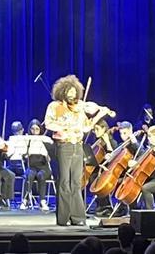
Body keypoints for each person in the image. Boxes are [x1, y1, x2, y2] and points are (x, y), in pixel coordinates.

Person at [44, 74, 112, 227]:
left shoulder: (80, 108)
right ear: (62, 91)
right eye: (69, 91)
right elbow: (48, 124)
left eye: (74, 91)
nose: (72, 94)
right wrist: (65, 127)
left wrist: (99, 114)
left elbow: (86, 127)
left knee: (76, 182)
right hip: (64, 146)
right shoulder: (55, 106)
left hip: (78, 146)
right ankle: (63, 218)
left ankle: (78, 217)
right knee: (64, 182)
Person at [23, 119, 53, 211]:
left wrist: (48, 154)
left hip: (44, 167)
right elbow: (24, 157)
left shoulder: (46, 140)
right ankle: (25, 200)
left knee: (41, 175)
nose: (35, 131)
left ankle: (42, 201)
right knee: (29, 175)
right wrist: (26, 153)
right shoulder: (27, 140)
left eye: (37, 129)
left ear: (40, 129)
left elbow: (50, 158)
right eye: (33, 129)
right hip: (32, 166)